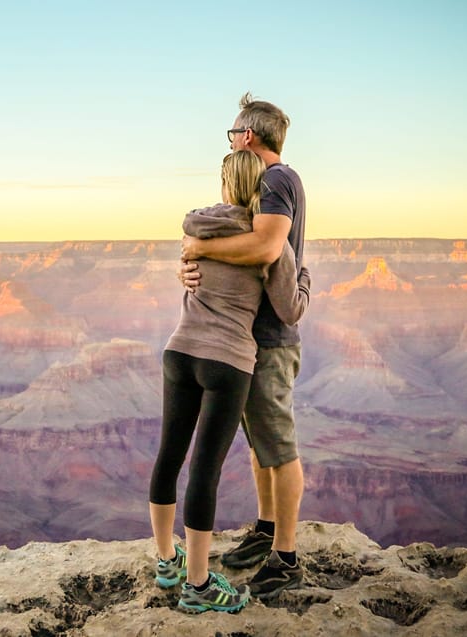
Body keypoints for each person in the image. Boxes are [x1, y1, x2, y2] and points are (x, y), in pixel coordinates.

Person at [150, 149, 311, 614]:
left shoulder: (196, 228)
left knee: (168, 457)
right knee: (205, 468)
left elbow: (191, 269)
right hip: (227, 361)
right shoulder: (261, 241)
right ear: (258, 190)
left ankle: (166, 562)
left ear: (223, 182)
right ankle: (198, 586)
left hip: (178, 352)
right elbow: (290, 309)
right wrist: (303, 276)